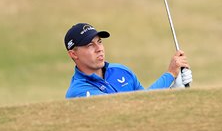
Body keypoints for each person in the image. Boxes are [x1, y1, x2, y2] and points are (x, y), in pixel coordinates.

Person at [64, 22, 192, 98]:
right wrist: (170, 75)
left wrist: (173, 91)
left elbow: (147, 101)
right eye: (90, 45)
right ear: (73, 54)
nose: (99, 49)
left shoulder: (121, 71)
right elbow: (128, 108)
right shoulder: (78, 92)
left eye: (100, 42)